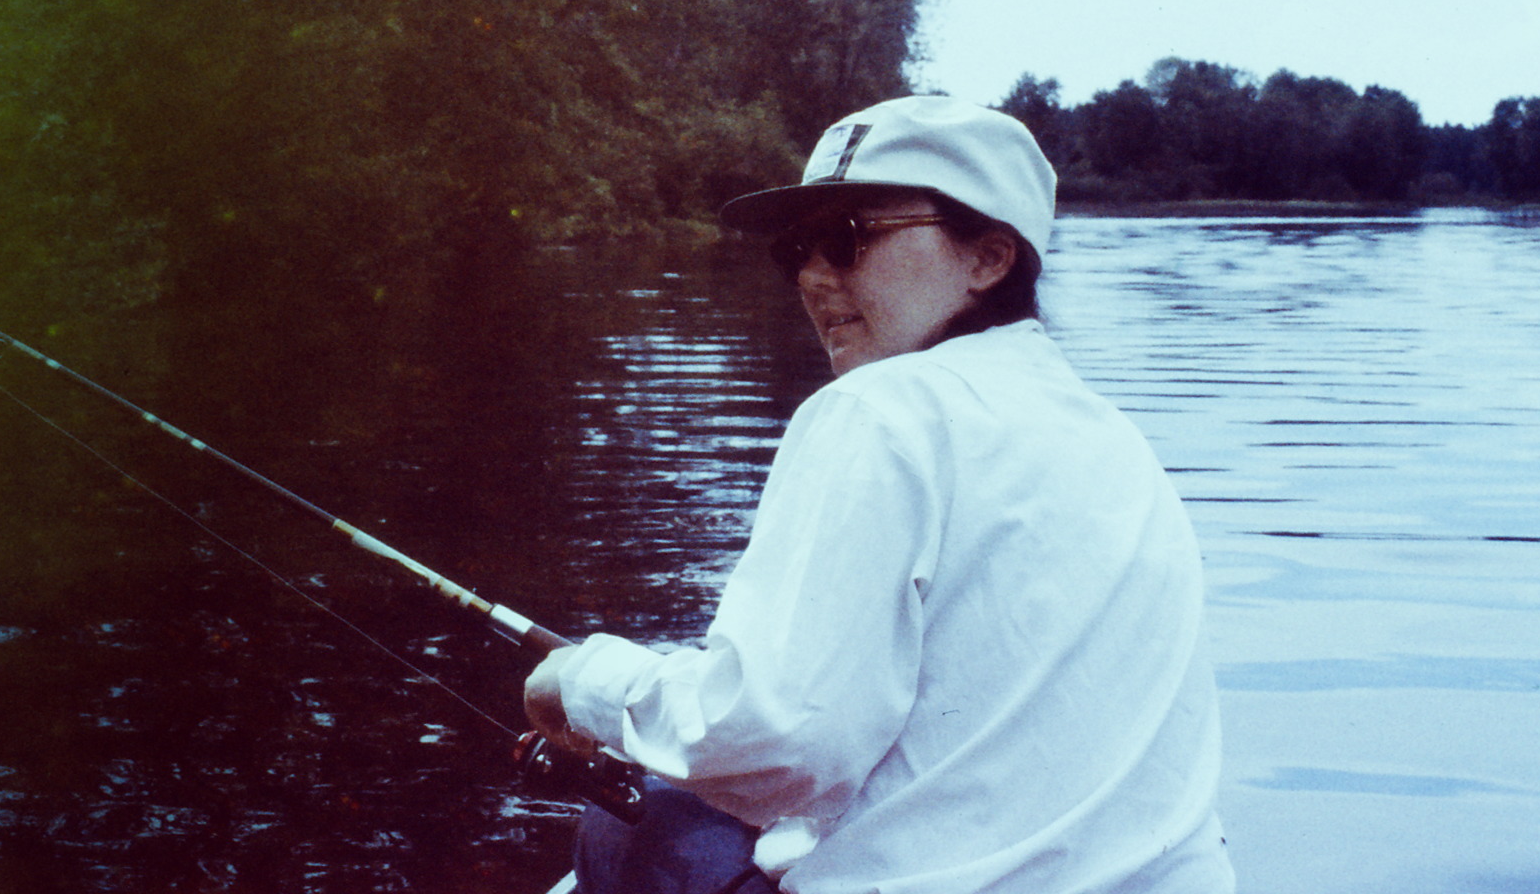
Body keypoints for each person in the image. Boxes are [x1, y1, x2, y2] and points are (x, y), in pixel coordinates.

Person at [525, 95, 1234, 893]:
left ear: (988, 259)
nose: (811, 275)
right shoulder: (1114, 440)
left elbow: (776, 742)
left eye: (847, 239)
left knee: (641, 826)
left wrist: (582, 682)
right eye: (796, 248)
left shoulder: (877, 411)